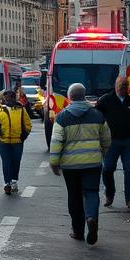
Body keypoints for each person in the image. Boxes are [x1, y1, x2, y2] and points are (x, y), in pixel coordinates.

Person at [49, 83, 112, 245]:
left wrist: (54, 162)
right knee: (91, 192)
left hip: (70, 166)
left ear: (70, 97)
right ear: (84, 96)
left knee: (74, 196)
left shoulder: (62, 117)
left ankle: (78, 231)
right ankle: (91, 217)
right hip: (92, 163)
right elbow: (106, 139)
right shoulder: (97, 115)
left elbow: (56, 142)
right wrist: (103, 153)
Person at [95, 75, 130, 210]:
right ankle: (109, 194)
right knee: (108, 169)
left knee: (129, 169)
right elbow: (96, 116)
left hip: (129, 141)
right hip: (111, 142)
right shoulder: (106, 100)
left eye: (126, 85)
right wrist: (100, 133)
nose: (124, 88)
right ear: (116, 85)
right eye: (122, 85)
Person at [0, 88, 31, 195]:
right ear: (4, 98)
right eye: (7, 97)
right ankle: (7, 183)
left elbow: (27, 124)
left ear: (14, 98)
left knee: (16, 161)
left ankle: (14, 181)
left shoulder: (21, 109)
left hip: (17, 141)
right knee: (6, 161)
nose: (9, 99)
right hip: (3, 141)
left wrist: (23, 136)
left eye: (11, 97)